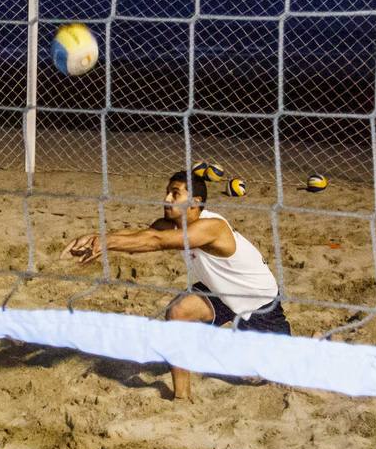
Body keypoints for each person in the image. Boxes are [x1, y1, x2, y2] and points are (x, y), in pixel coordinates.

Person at [64, 169, 290, 401]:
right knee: (178, 313)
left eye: (175, 194)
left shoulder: (212, 227)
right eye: (167, 193)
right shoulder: (171, 224)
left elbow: (156, 242)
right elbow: (141, 237)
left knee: (282, 372)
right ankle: (182, 397)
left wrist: (107, 242)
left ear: (195, 201)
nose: (167, 199)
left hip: (258, 303)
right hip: (220, 291)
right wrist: (96, 238)